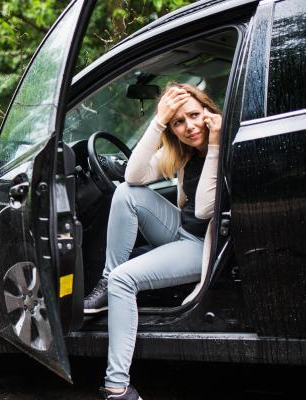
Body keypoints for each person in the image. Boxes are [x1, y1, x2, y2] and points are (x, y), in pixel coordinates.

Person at [82, 83, 223, 400]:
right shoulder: (183, 152)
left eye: (194, 116)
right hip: (181, 229)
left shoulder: (226, 145)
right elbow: (132, 176)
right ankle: (105, 281)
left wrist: (214, 144)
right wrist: (158, 121)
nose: (189, 127)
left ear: (208, 112)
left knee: (124, 279)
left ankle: (116, 387)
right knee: (126, 193)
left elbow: (203, 210)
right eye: (178, 122)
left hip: (204, 246)